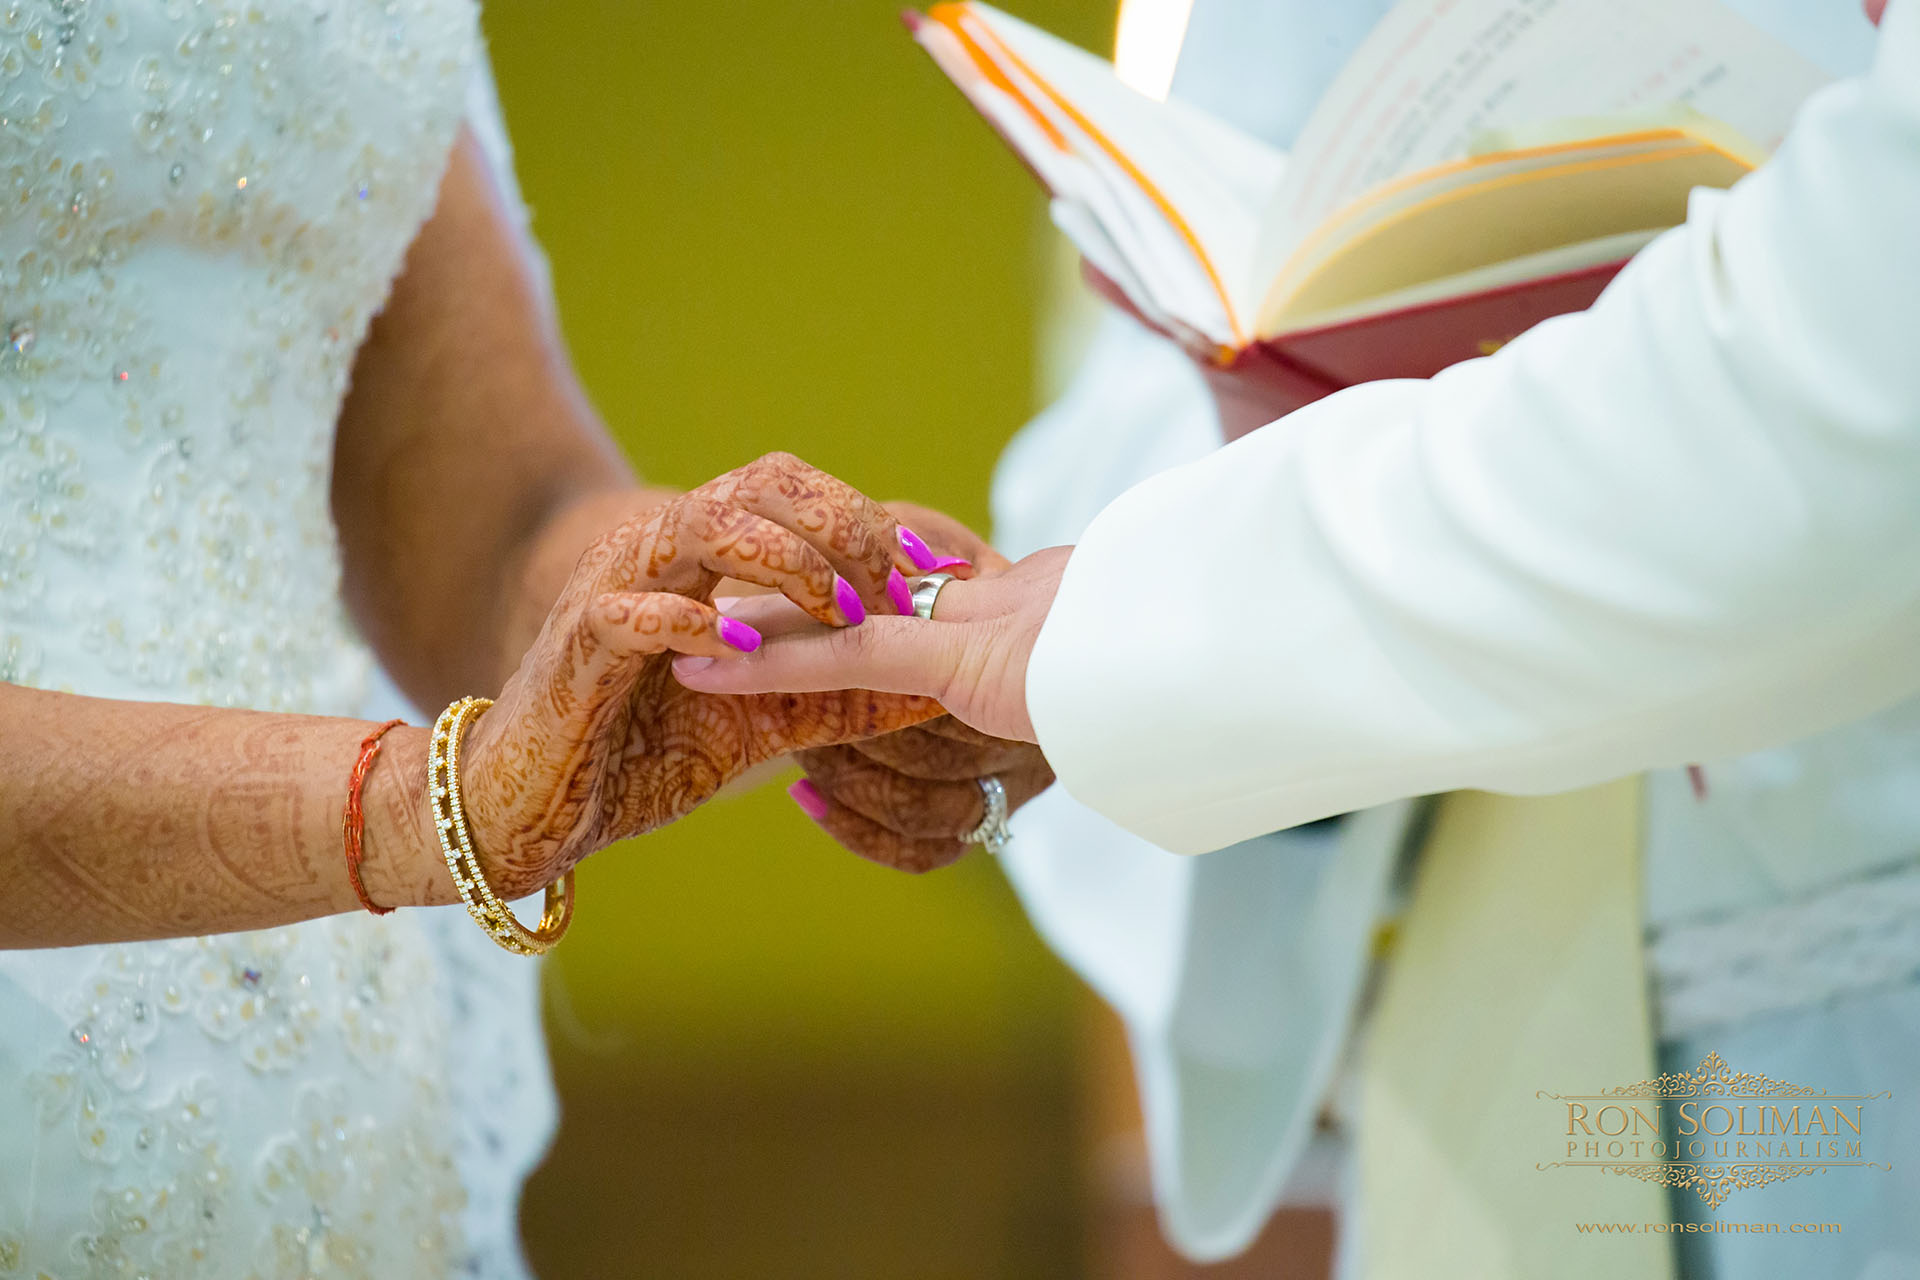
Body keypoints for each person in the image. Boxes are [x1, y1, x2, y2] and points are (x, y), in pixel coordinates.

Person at [675, 0, 1920, 1274]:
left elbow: (1873, 358)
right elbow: (1190, 278)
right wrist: (1081, 629)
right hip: (1460, 964)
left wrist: (1139, 628)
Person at [0, 7, 1039, 1275]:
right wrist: (435, 809)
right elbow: (454, 800)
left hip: (349, 1077)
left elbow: (495, 525)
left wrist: (750, 601)